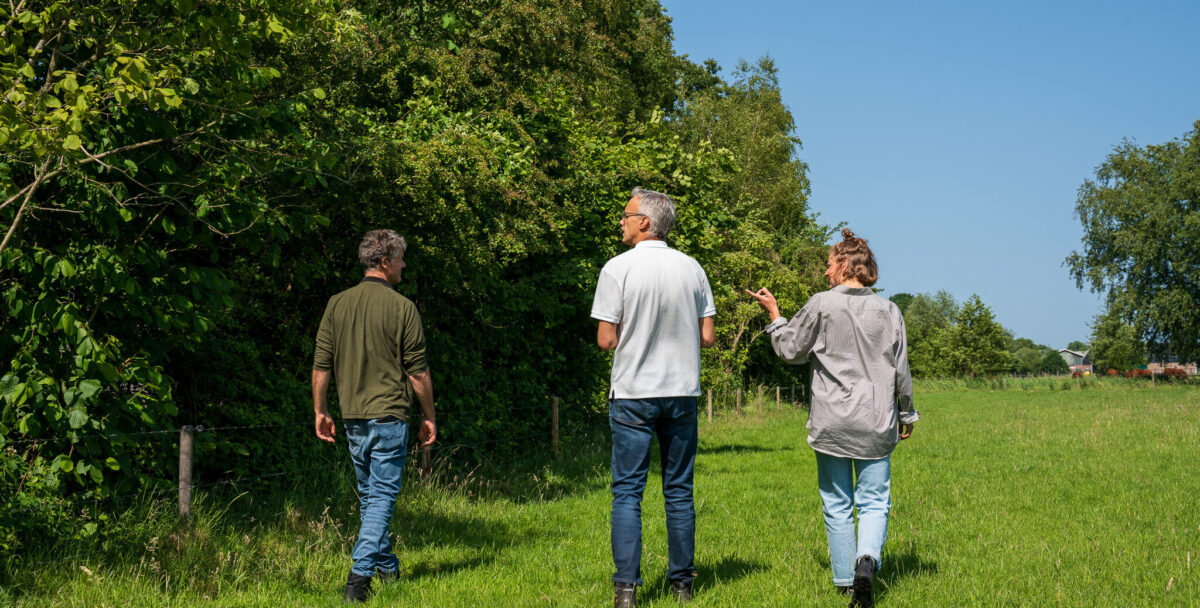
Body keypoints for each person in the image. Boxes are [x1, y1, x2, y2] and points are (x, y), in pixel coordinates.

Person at [746, 228, 918, 608]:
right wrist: (906, 412)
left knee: (837, 501)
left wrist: (775, 317)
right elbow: (901, 371)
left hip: (831, 420)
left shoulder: (821, 304)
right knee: (874, 501)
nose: (825, 273)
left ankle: (844, 581)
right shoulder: (889, 311)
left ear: (844, 264)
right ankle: (866, 562)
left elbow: (791, 350)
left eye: (828, 265)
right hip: (876, 420)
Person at [591, 188, 717, 608]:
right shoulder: (693, 268)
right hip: (681, 391)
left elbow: (605, 340)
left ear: (646, 221)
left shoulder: (617, 269)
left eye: (626, 215)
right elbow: (708, 336)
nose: (620, 221)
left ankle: (626, 590)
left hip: (633, 394)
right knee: (678, 490)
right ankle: (682, 585)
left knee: (628, 492)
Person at [312, 229, 437, 603]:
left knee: (370, 499)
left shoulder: (337, 303)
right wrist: (429, 416)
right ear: (384, 261)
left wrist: (321, 410)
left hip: (353, 416)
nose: (403, 265)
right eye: (400, 258)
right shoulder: (403, 308)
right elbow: (417, 372)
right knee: (380, 498)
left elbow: (321, 365)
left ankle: (389, 568)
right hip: (390, 417)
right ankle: (359, 578)